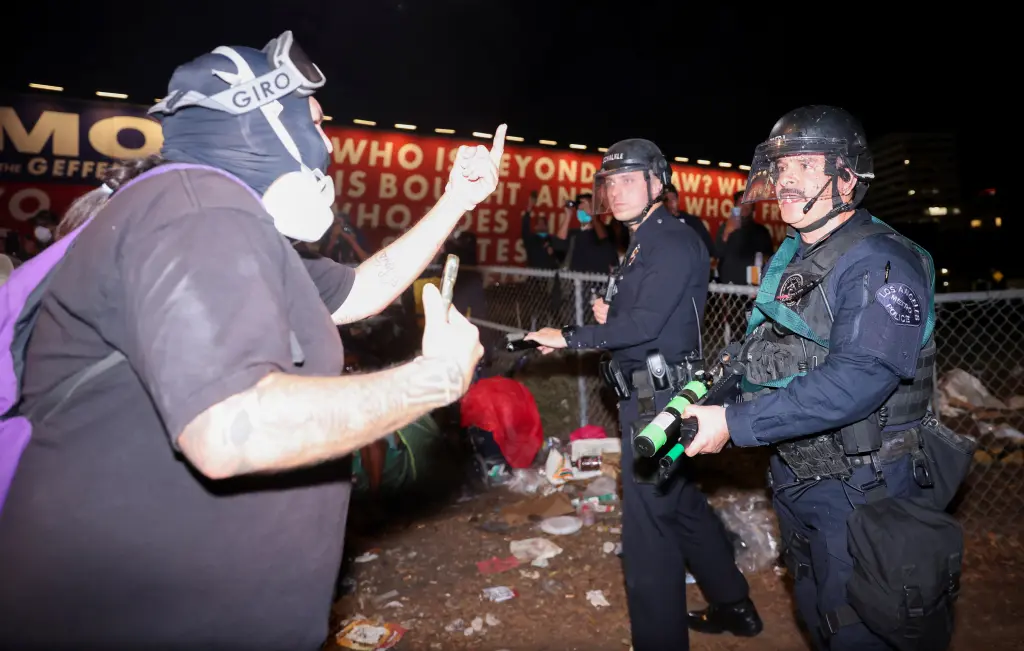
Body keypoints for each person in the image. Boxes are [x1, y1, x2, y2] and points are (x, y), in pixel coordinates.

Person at [0, 31, 504, 650]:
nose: (328, 145)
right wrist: (435, 379)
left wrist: (458, 197)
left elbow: (361, 290)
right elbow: (228, 429)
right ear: (265, 122)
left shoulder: (226, 225)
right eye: (316, 122)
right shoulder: (199, 211)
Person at [681, 106, 951, 650]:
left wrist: (734, 422)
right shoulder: (800, 254)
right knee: (821, 614)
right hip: (805, 474)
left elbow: (858, 380)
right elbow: (773, 347)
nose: (785, 180)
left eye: (805, 166)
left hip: (866, 487)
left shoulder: (881, 261)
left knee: (862, 627)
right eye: (781, 168)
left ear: (847, 177)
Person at [523, 139, 762, 651]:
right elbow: (650, 317)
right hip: (652, 394)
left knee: (648, 534)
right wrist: (613, 318)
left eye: (630, 178)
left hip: (663, 403)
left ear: (658, 184)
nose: (617, 189)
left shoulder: (670, 240)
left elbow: (646, 323)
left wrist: (568, 336)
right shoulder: (642, 242)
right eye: (611, 181)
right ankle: (734, 605)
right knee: (679, 503)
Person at [714, 189, 775, 285]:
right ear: (735, 206)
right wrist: (726, 233)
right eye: (741, 203)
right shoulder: (725, 227)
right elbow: (717, 253)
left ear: (753, 207)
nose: (745, 206)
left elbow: (769, 258)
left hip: (751, 285)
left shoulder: (761, 231)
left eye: (748, 203)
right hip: (726, 285)